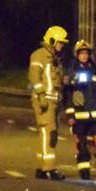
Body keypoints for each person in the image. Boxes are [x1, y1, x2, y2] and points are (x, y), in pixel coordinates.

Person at [64, 40, 96, 180]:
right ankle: (84, 173)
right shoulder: (71, 72)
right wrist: (70, 115)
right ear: (77, 55)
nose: (84, 56)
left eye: (86, 53)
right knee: (82, 146)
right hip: (80, 117)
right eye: (81, 53)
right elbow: (68, 96)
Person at [28, 25, 68, 180]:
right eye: (60, 42)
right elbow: (34, 77)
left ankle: (41, 167)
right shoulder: (39, 56)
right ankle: (49, 168)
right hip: (44, 100)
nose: (62, 45)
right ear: (52, 40)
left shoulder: (55, 58)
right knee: (49, 132)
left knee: (46, 134)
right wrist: (41, 95)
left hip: (53, 100)